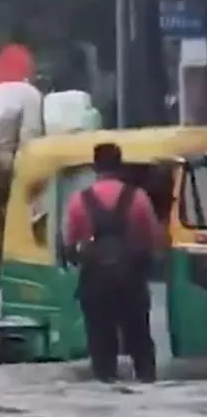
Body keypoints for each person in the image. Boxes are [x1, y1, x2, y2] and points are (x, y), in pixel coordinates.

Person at [63, 142, 161, 383]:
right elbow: (155, 240)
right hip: (131, 282)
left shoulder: (78, 201)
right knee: (140, 344)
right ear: (120, 165)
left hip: (95, 284)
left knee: (101, 346)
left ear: (95, 167)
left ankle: (106, 384)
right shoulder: (138, 198)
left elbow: (68, 244)